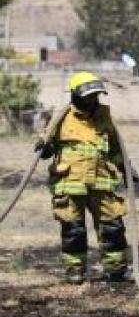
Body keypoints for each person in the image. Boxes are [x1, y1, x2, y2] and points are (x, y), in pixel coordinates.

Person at [35, 71, 129, 284]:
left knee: (112, 227)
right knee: (73, 229)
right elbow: (46, 151)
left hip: (102, 182)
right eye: (88, 96)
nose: (92, 101)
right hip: (70, 184)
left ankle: (115, 271)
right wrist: (44, 147)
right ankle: (75, 272)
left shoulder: (104, 116)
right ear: (76, 95)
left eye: (95, 96)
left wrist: (126, 168)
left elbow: (115, 147)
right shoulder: (61, 118)